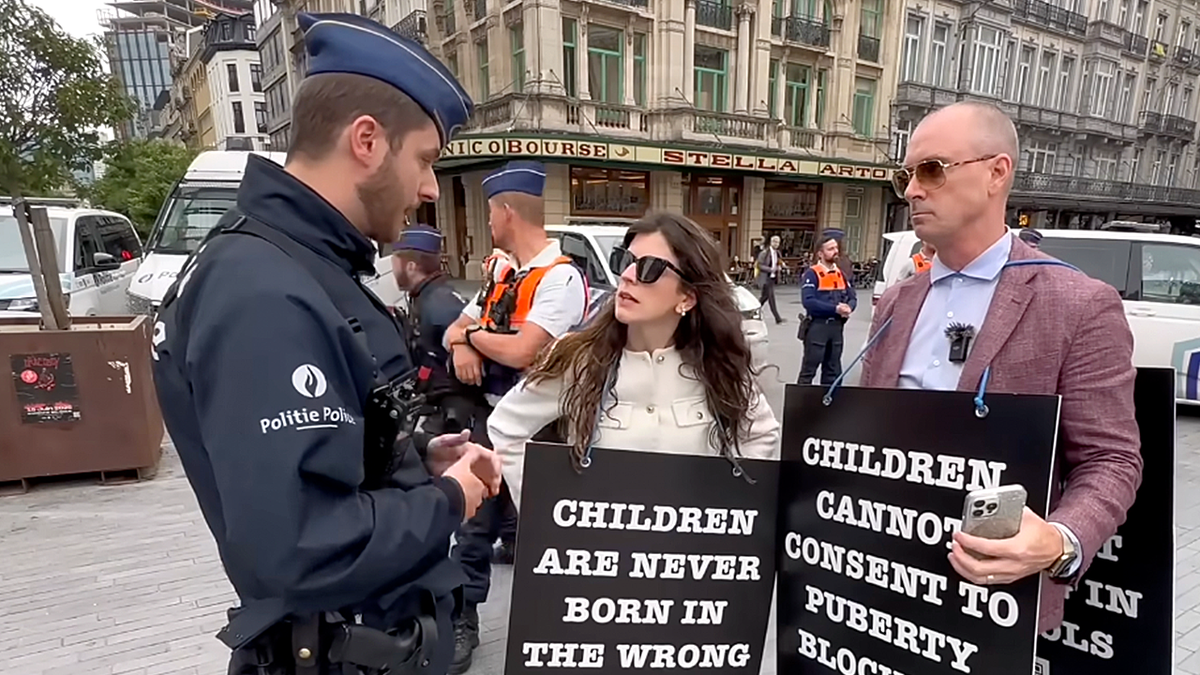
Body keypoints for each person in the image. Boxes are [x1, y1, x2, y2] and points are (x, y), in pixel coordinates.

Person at [150, 13, 502, 675]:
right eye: (425, 159)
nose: (430, 188)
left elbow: (313, 455)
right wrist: (450, 496)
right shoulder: (265, 292)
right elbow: (303, 542)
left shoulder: (296, 264)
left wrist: (416, 455)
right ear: (366, 140)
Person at [864, 100, 1142, 632]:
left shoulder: (1079, 303)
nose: (913, 190)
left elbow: (1111, 460)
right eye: (907, 175)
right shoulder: (895, 301)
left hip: (995, 601)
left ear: (997, 173)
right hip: (884, 590)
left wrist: (1059, 541)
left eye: (932, 169)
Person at [487, 211, 780, 507]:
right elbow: (506, 427)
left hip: (689, 547)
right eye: (625, 261)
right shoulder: (580, 359)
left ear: (687, 297)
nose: (627, 276)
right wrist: (547, 513)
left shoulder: (715, 364)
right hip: (601, 549)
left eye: (649, 268)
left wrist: (730, 512)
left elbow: (761, 434)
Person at [441, 159, 588, 674]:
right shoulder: (504, 273)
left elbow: (525, 351)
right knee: (473, 526)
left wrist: (470, 339)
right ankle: (465, 619)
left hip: (539, 431)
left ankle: (567, 625)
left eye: (489, 214)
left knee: (544, 529)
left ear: (506, 213)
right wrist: (464, 338)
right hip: (490, 420)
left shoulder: (561, 277)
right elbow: (452, 327)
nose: (488, 223)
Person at [392, 224, 481, 437]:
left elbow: (474, 361)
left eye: (395, 261)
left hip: (451, 415)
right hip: (436, 404)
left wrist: (463, 344)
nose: (392, 268)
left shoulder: (440, 305)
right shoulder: (427, 296)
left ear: (411, 266)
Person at [797, 234, 856, 386]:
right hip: (818, 327)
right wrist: (835, 309)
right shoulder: (812, 274)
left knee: (833, 369)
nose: (835, 251)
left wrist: (849, 307)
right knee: (809, 369)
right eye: (830, 249)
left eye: (836, 248)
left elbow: (852, 296)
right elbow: (808, 301)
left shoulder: (841, 274)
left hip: (836, 328)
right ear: (820, 254)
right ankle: (801, 405)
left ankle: (829, 404)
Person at [755, 235, 786, 324]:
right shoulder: (764, 253)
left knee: (764, 298)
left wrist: (781, 265)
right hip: (766, 278)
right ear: (771, 242)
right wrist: (770, 269)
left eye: (778, 242)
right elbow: (759, 265)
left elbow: (778, 261)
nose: (776, 244)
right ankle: (778, 318)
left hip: (772, 278)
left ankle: (753, 311)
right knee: (771, 298)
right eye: (775, 242)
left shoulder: (777, 253)